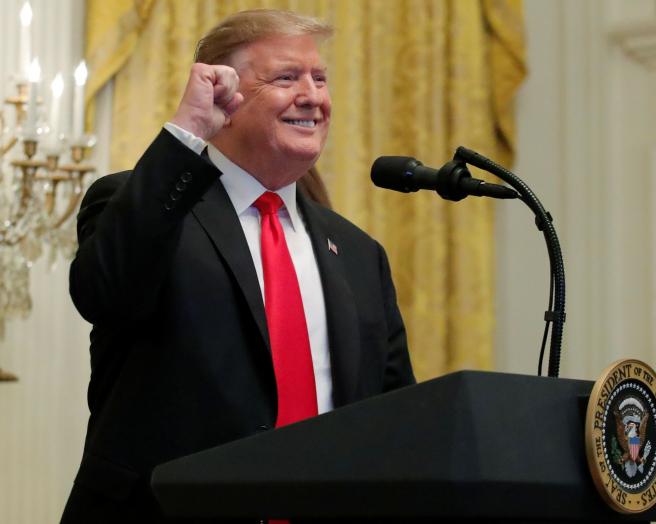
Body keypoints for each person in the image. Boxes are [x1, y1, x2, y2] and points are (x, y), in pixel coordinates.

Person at [60, 9, 415, 523]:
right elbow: (103, 292)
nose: (313, 96)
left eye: (319, 78)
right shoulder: (144, 206)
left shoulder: (359, 254)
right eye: (287, 78)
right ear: (224, 96)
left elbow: (394, 418)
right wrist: (187, 132)